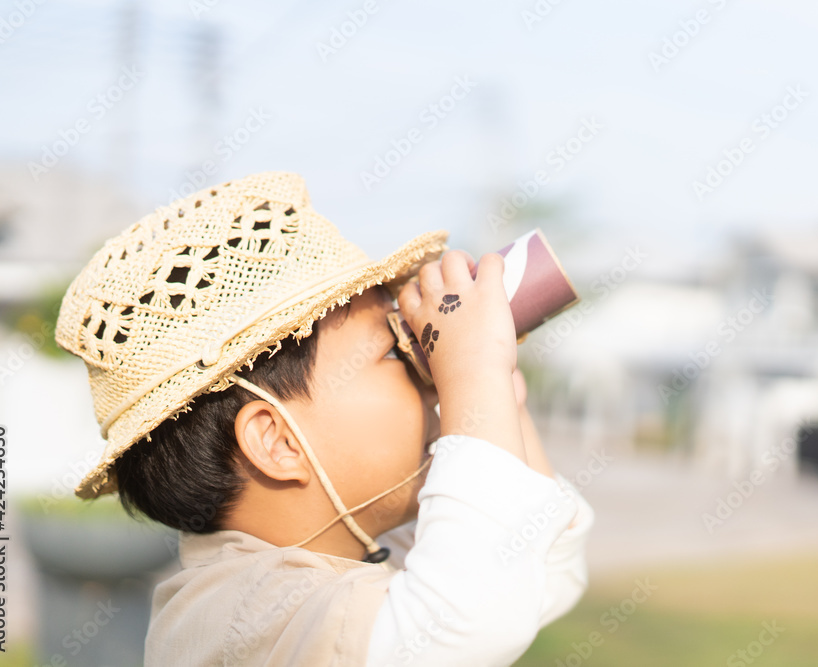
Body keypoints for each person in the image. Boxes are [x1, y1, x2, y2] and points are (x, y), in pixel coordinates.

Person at [54, 171, 595, 666]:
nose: (427, 378)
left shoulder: (323, 565)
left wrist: (495, 397)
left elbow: (537, 568)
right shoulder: (236, 614)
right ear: (277, 441)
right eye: (392, 354)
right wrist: (473, 369)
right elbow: (468, 618)